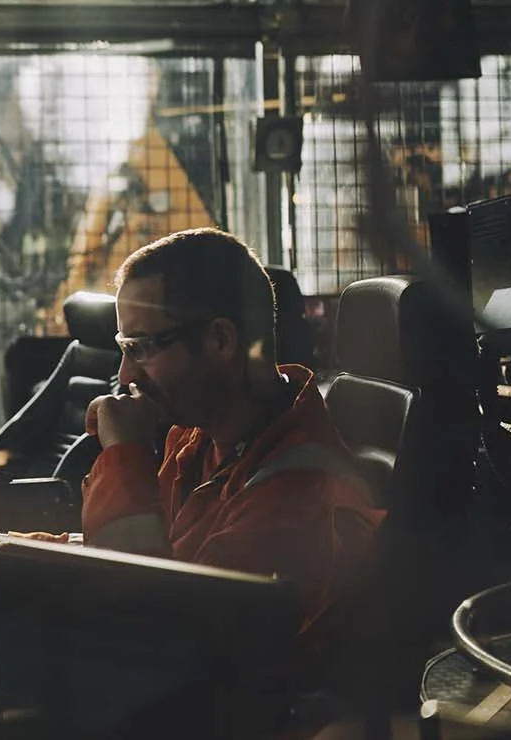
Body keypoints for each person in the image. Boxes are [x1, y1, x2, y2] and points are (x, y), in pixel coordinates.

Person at [25, 228, 382, 661]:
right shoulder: (198, 438)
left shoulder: (299, 491)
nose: (124, 376)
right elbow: (163, 556)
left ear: (220, 341)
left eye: (141, 348)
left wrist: (125, 458)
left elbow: (148, 624)